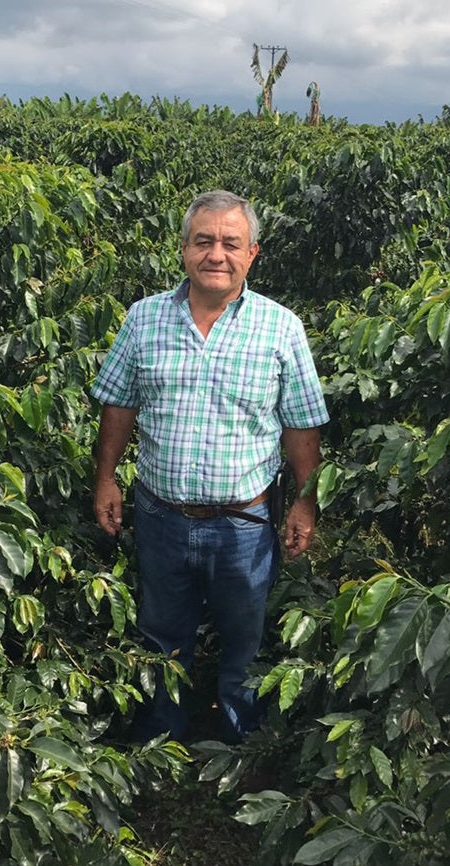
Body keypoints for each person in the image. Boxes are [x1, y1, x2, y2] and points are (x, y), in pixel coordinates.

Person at [91, 190, 329, 743]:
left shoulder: (280, 328)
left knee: (244, 638)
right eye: (204, 242)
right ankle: (161, 737)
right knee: (159, 632)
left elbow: (300, 423)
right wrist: (106, 478)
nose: (215, 254)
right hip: (161, 517)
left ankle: (240, 741)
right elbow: (119, 404)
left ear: (253, 254)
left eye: (230, 243)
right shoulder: (145, 319)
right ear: (183, 251)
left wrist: (305, 499)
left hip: (243, 525)